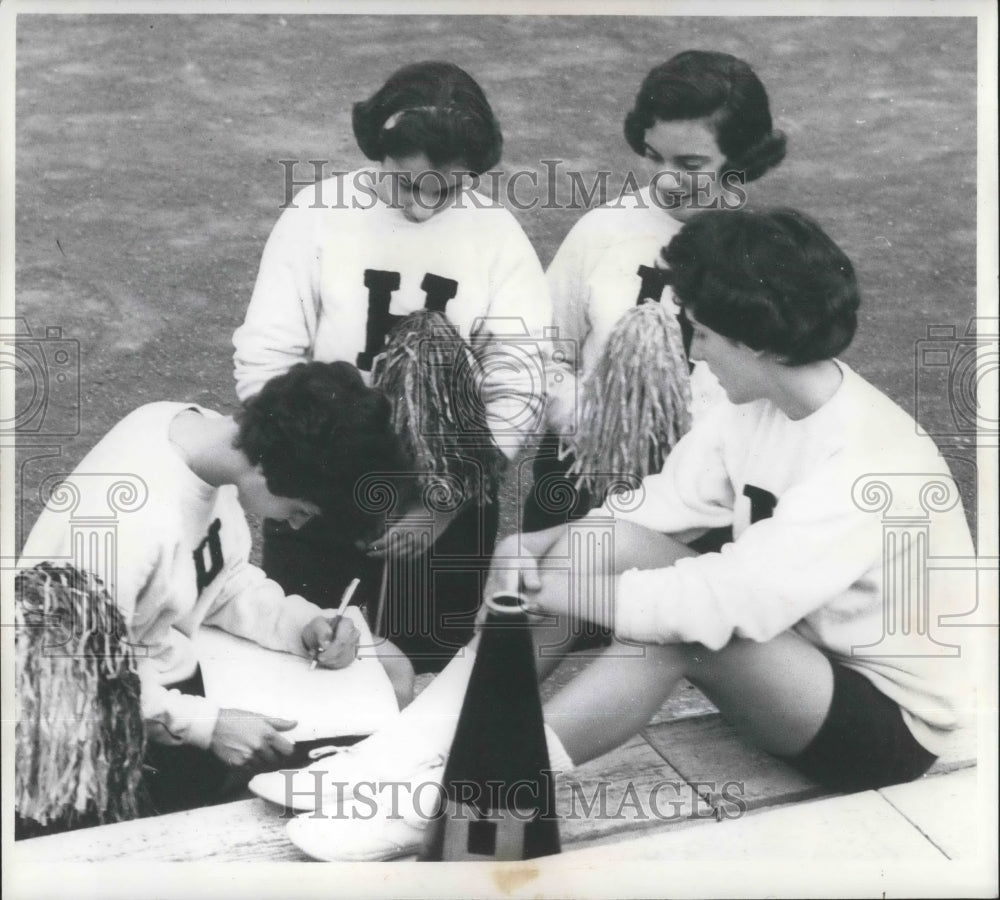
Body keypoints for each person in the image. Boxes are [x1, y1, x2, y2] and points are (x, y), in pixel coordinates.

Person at [253, 209, 973, 862]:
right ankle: (396, 756)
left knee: (677, 635)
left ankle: (472, 789)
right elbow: (651, 510)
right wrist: (539, 545)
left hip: (884, 725)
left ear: (758, 342)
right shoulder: (755, 403)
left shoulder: (868, 463)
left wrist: (564, 584)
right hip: (799, 660)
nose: (692, 353)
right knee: (604, 545)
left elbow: (722, 605)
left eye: (705, 334)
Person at [232, 60, 551, 673]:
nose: (425, 207)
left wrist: (444, 500)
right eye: (407, 184)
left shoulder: (496, 235)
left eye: (448, 189)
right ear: (380, 149)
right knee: (305, 650)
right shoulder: (320, 213)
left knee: (424, 655)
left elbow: (521, 377)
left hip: (443, 484)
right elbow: (267, 354)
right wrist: (300, 467)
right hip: (321, 476)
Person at [18, 361, 415, 815]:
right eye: (302, 508)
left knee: (386, 667)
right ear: (268, 472)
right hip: (98, 725)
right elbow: (74, 680)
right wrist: (208, 726)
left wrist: (300, 623)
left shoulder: (205, 441)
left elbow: (217, 578)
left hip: (164, 673)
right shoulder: (128, 524)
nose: (298, 523)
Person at [523, 50, 787, 534]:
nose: (666, 179)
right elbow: (540, 351)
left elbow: (773, 392)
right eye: (653, 157)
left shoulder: (766, 256)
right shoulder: (603, 230)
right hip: (584, 474)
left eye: (690, 163)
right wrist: (599, 425)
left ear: (743, 158)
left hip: (703, 493)